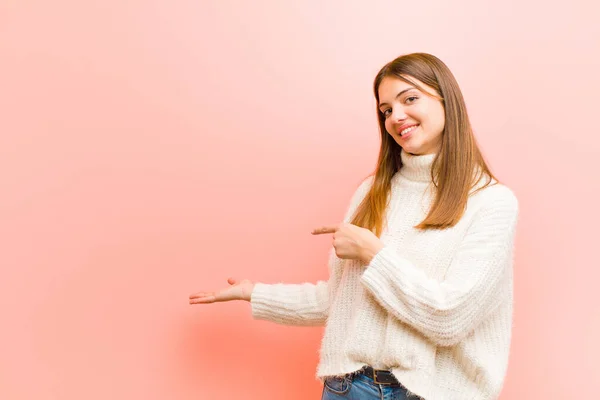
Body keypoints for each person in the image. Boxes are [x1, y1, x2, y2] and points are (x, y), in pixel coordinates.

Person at [189, 52, 519, 400]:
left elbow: (449, 318)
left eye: (410, 99)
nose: (397, 117)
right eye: (386, 110)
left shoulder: (491, 202)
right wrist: (254, 292)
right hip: (349, 388)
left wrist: (374, 254)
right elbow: (343, 301)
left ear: (446, 99)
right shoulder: (372, 191)